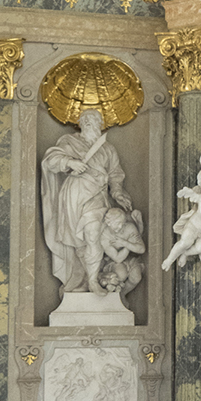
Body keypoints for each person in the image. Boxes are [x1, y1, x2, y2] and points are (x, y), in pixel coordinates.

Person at [41, 108, 132, 297]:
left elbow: (115, 173)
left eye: (95, 120)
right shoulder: (69, 141)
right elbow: (51, 160)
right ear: (81, 124)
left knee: (93, 234)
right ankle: (83, 276)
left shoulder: (107, 148)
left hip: (97, 195)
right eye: (87, 120)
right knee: (80, 241)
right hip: (74, 195)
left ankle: (92, 281)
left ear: (100, 125)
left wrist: (117, 192)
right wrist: (70, 162)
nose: (91, 123)